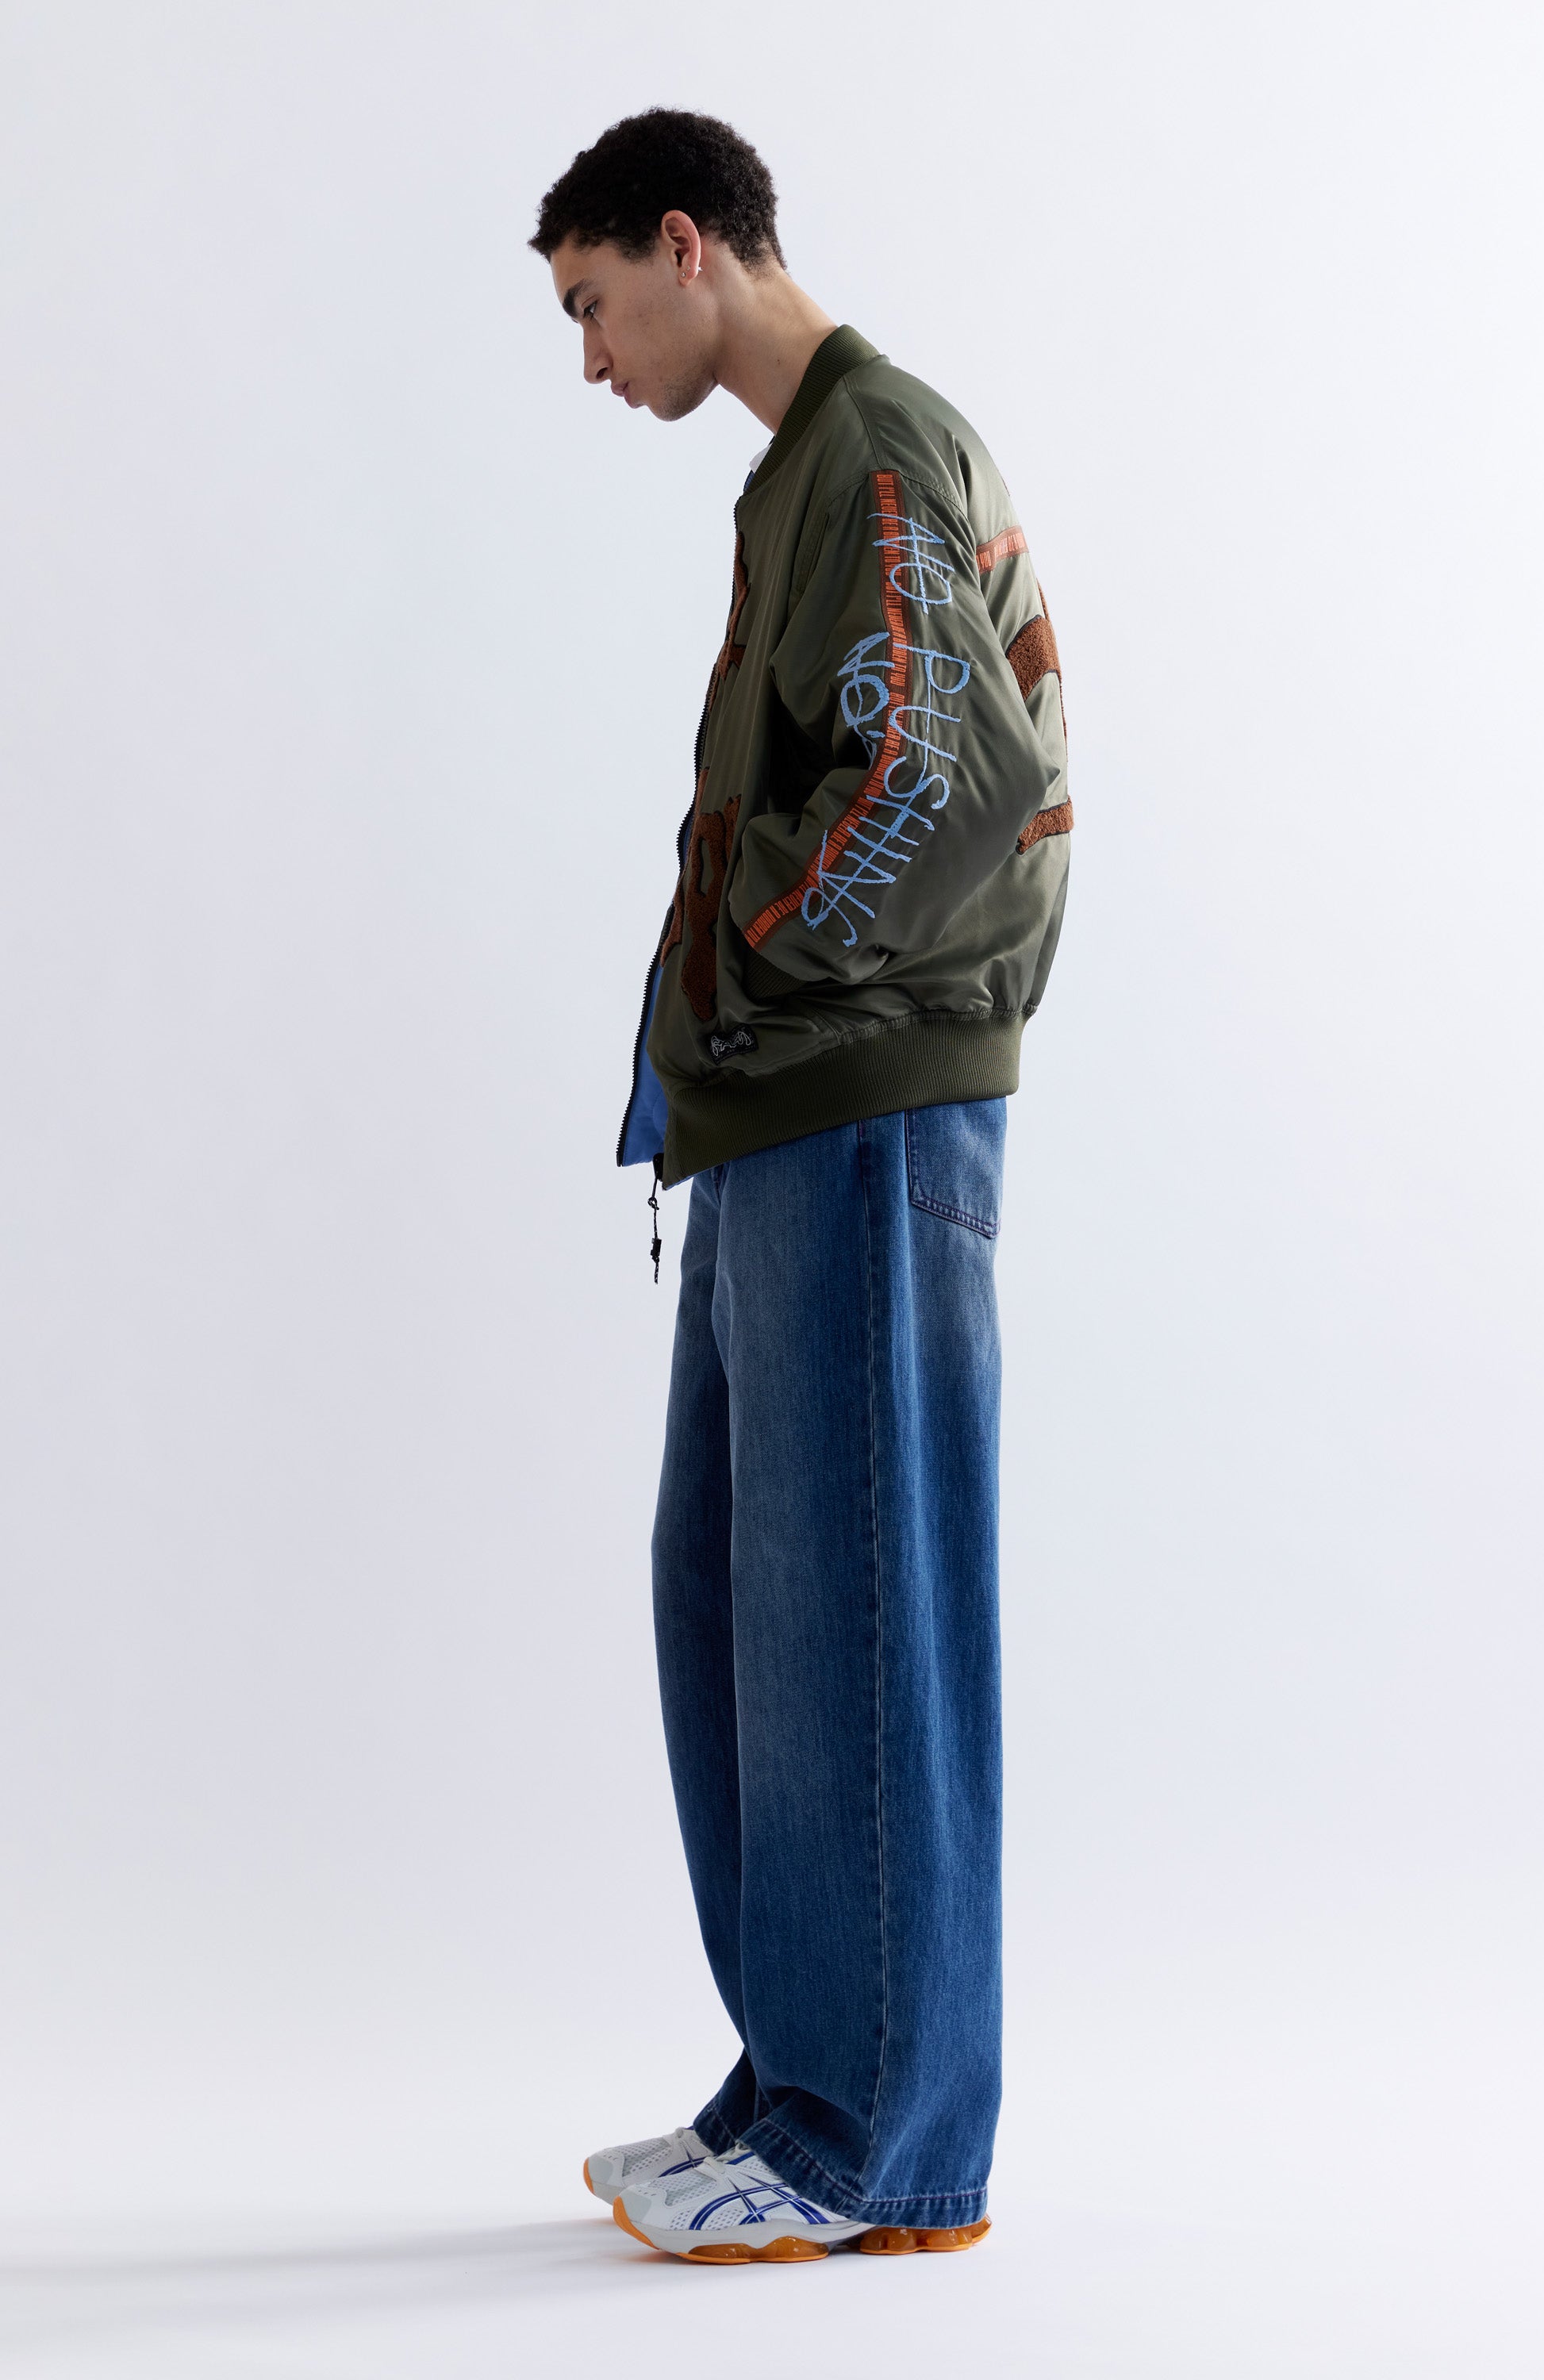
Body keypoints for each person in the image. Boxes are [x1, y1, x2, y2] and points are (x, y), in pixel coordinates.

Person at [530, 108, 1070, 2267]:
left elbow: (948, 782)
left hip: (860, 1103)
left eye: (594, 305)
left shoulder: (876, 449)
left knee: (857, 1607)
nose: (592, 360)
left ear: (689, 245)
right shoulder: (808, 469)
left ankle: (880, 2146)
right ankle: (804, 2078)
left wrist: (742, 960)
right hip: (783, 1112)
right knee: (742, 1596)